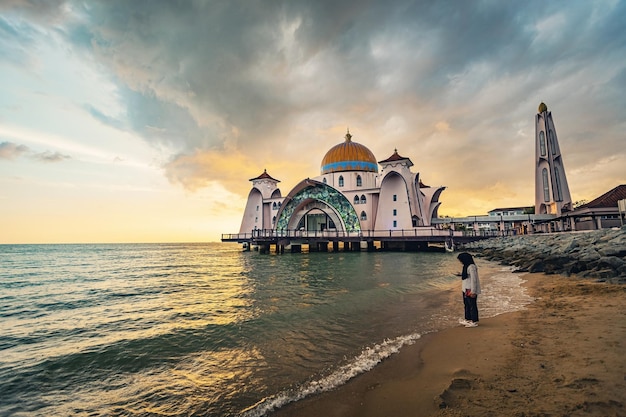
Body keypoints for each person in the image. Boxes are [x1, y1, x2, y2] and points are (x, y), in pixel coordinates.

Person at [457, 252, 481, 328]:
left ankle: (474, 321)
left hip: (470, 289)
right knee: (466, 305)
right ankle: (468, 319)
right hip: (465, 288)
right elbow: (467, 275)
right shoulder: (466, 266)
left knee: (472, 305)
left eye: (460, 260)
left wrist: (473, 291)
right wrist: (460, 274)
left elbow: (474, 280)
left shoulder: (472, 267)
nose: (460, 262)